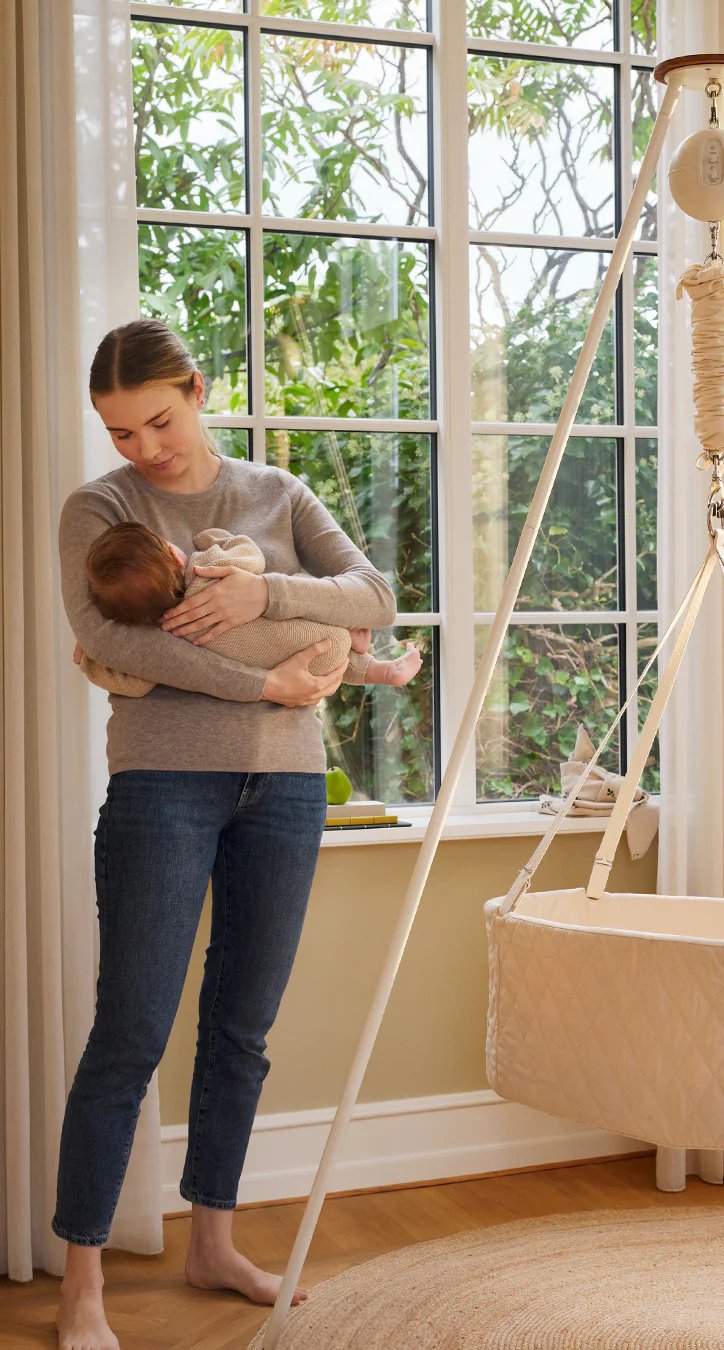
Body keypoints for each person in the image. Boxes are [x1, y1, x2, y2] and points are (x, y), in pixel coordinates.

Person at [52, 318, 396, 1350]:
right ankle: (81, 1287)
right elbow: (107, 636)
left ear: (198, 391)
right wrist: (263, 683)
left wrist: (263, 592)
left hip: (286, 789)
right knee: (130, 1034)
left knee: (242, 1030)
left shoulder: (277, 494)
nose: (146, 449)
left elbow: (374, 596)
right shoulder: (100, 509)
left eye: (159, 421)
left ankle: (213, 1242)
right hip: (162, 785)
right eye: (122, 432)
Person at [73, 520, 423, 694]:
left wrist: (91, 658)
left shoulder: (165, 634)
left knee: (326, 654)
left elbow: (133, 684)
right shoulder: (206, 568)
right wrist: (216, 538)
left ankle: (374, 665)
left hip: (312, 668)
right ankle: (365, 651)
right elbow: (251, 557)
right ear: (171, 554)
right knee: (295, 597)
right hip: (314, 636)